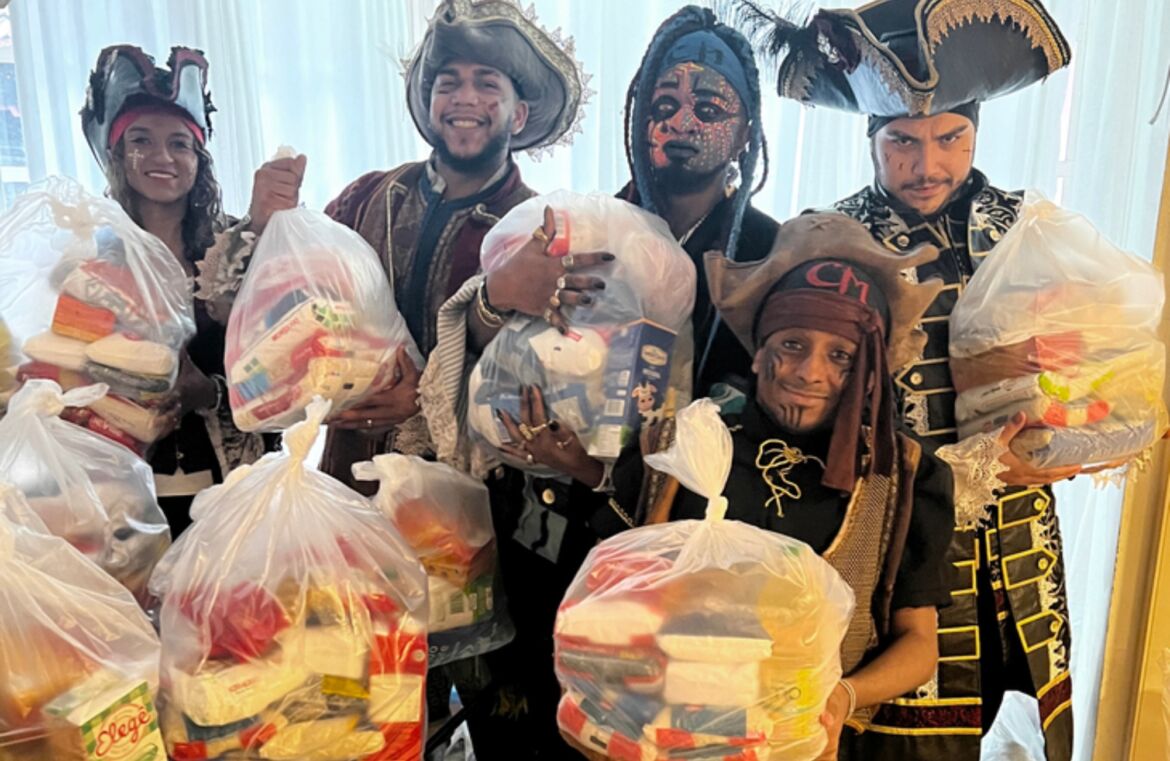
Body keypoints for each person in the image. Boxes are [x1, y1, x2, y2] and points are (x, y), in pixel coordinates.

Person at [731, 0, 1079, 756]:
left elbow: (1082, 359)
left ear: (977, 131)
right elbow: (806, 416)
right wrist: (969, 469)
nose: (927, 166)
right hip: (892, 535)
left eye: (950, 139)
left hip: (1017, 540)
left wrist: (1083, 423)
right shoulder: (832, 242)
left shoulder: (1029, 230)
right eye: (902, 143)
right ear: (871, 140)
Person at [507, 213, 956, 761]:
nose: (809, 372)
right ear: (759, 351)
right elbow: (618, 583)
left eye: (841, 356)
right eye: (792, 344)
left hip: (805, 745)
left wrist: (843, 696)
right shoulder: (691, 444)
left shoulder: (902, 477)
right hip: (666, 738)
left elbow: (919, 645)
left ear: (870, 369)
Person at [80, 45, 290, 535]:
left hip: (234, 489)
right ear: (117, 153)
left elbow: (286, 376)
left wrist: (209, 392)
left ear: (199, 158)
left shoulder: (243, 251)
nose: (162, 157)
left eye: (179, 143)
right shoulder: (89, 261)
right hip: (123, 495)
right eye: (141, 140)